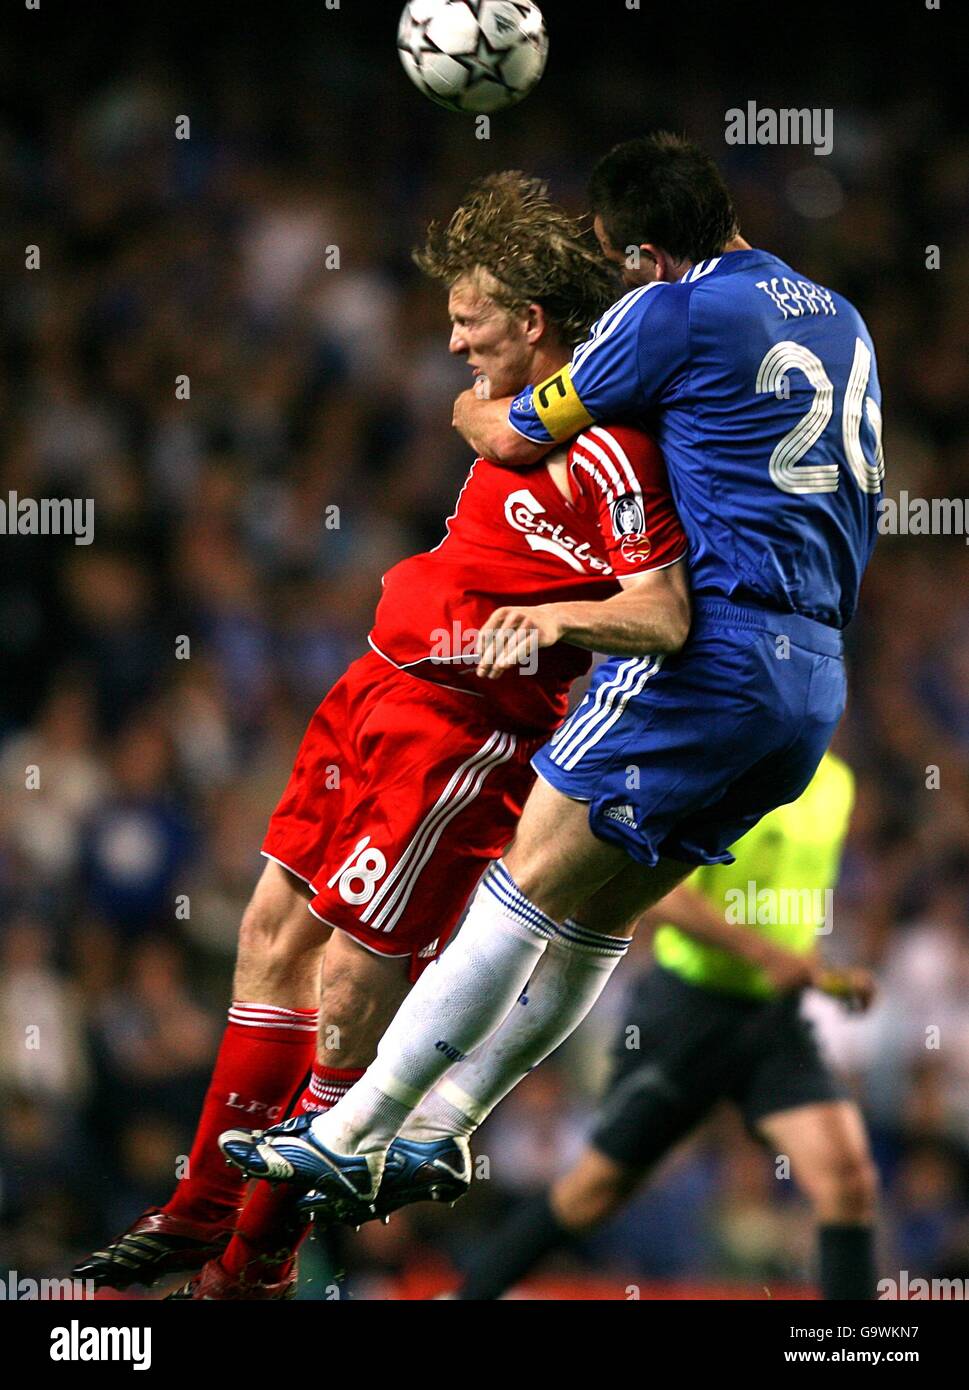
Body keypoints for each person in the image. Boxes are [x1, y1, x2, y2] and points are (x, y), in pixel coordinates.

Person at [221, 134, 884, 1235]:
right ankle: (443, 1127)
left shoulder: (669, 311)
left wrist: (474, 419)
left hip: (710, 654)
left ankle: (351, 1136)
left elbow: (524, 427)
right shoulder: (843, 316)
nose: (614, 278)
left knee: (523, 883)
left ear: (649, 252)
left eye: (619, 260)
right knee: (597, 916)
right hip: (813, 685)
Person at [74, 172, 692, 1299]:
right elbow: (482, 418)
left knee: (356, 983)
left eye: (469, 319)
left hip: (462, 735)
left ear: (532, 323)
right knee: (268, 930)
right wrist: (484, 421)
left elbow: (662, 610)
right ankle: (199, 1203)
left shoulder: (611, 451)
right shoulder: (510, 417)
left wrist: (554, 618)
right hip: (370, 686)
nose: (452, 341)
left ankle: (260, 1246)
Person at [453, 753, 880, 1300]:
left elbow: (790, 905)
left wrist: (821, 972)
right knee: (594, 1192)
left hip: (774, 1017)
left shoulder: (838, 784)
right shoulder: (722, 765)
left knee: (848, 1179)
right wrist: (761, 953)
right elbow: (656, 893)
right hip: (686, 1011)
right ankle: (467, 1297)